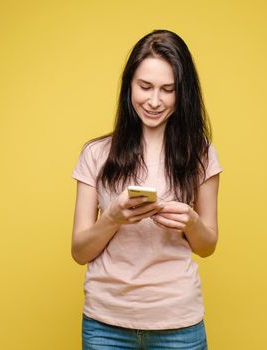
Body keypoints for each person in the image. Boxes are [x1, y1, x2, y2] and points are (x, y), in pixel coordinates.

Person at [71, 29, 223, 350]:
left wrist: (192, 223)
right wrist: (112, 217)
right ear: (129, 86)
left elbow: (207, 246)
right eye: (145, 87)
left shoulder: (202, 154)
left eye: (168, 90)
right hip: (105, 322)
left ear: (183, 94)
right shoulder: (96, 154)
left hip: (178, 321)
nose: (154, 101)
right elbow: (79, 252)